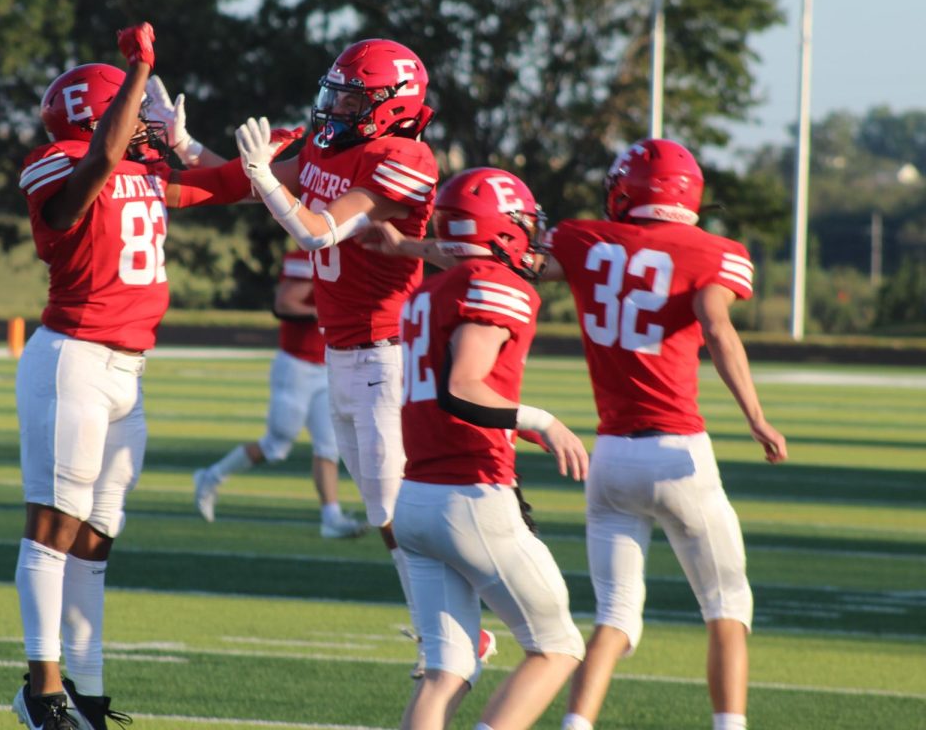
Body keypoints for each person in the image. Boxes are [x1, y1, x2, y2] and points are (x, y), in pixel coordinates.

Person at [12, 22, 300, 730]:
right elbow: (98, 162)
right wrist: (139, 69)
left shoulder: (145, 172)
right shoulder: (56, 164)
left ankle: (88, 688)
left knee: (99, 534)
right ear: (99, 114)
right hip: (72, 359)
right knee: (53, 524)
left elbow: (233, 185)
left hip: (127, 371)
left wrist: (308, 139)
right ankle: (41, 688)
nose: (150, 121)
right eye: (138, 109)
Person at [149, 39, 463, 671]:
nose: (337, 105)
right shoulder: (331, 146)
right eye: (338, 91)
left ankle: (452, 635)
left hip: (386, 351)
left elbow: (315, 227)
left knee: (397, 511)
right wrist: (182, 145)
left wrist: (266, 178)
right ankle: (445, 629)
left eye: (353, 97)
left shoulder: (403, 157)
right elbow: (241, 184)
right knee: (385, 512)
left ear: (391, 105)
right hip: (343, 350)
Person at [542, 139, 789, 730]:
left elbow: (510, 260)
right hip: (679, 454)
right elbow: (716, 326)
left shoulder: (583, 239)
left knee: (616, 618)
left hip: (611, 457)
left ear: (626, 190)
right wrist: (755, 416)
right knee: (727, 608)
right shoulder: (715, 251)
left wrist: (410, 244)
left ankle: (576, 726)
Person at [393, 168, 588, 730]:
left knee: (446, 671)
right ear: (503, 231)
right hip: (471, 498)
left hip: (417, 500)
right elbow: (464, 386)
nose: (533, 236)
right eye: (525, 225)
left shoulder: (428, 291)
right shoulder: (495, 284)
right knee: (556, 645)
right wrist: (544, 422)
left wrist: (519, 425)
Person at [192, 248, 365, 540]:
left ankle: (330, 517)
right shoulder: (308, 253)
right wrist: (325, 312)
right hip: (297, 364)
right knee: (276, 445)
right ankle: (210, 477)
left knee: (328, 446)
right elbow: (284, 303)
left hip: (327, 363)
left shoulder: (350, 254)